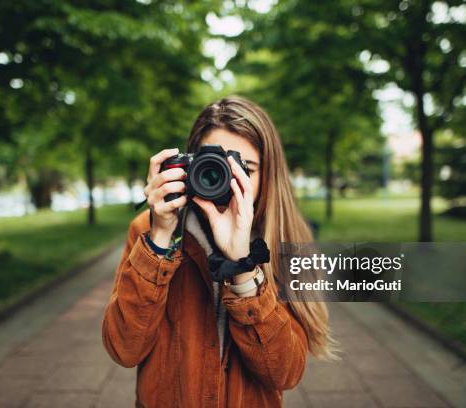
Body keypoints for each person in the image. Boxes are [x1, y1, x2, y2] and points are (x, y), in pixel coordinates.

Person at [102, 96, 335, 407]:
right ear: (188, 165)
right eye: (213, 166)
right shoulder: (149, 230)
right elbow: (123, 349)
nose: (224, 180)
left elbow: (285, 374)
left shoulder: (285, 242)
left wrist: (243, 266)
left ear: (267, 177)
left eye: (243, 169)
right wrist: (159, 238)